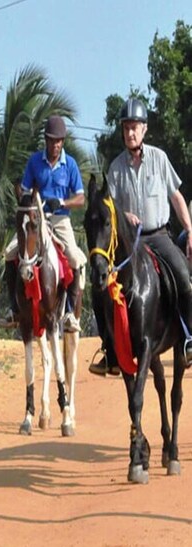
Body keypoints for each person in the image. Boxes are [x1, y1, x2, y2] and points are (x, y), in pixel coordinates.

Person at [91, 97, 192, 373]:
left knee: (184, 276)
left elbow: (176, 197)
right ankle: (109, 349)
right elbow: (108, 207)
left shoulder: (159, 159)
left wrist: (190, 229)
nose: (130, 133)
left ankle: (188, 339)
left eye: (134, 127)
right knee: (98, 288)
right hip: (128, 243)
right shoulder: (115, 168)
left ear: (145, 129)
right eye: (125, 128)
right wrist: (123, 215)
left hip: (158, 236)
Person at [0, 115, 86, 333]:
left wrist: (62, 201)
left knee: (75, 258)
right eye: (51, 140)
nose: (55, 145)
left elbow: (81, 198)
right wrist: (30, 201)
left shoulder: (70, 164)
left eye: (58, 141)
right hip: (37, 219)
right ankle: (14, 309)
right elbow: (25, 191)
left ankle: (70, 313)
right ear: (45, 140)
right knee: (9, 253)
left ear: (62, 142)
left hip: (60, 219)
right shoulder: (35, 161)